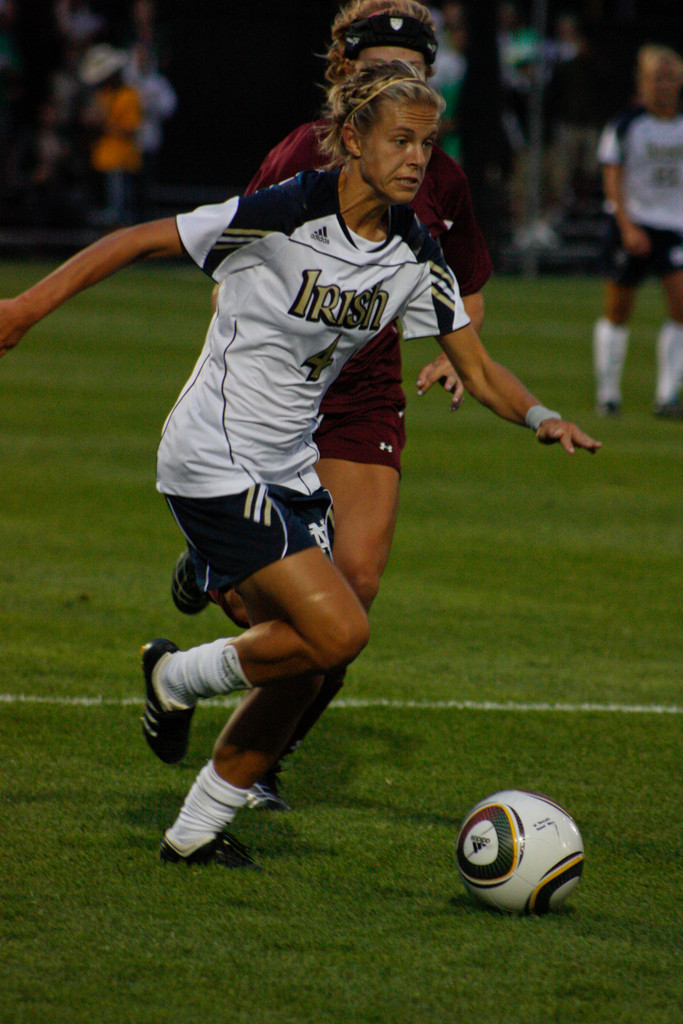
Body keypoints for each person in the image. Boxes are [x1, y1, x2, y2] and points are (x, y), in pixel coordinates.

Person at [0, 61, 600, 867]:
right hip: (213, 456)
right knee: (337, 627)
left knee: (312, 663)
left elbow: (479, 366)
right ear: (352, 140)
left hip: (289, 470)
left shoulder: (415, 255)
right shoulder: (284, 213)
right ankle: (174, 679)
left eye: (428, 143)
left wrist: (539, 416)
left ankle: (194, 833)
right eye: (399, 140)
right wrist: (23, 311)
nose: (417, 159)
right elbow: (140, 238)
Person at [172, 0, 495, 812]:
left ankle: (259, 762)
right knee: (267, 603)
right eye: (376, 67)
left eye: (410, 69)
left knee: (352, 594)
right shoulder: (297, 157)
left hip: (363, 398)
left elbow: (467, 287)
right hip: (272, 395)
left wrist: (461, 362)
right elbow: (232, 262)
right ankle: (212, 582)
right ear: (343, 77)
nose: (395, 81)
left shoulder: (437, 171)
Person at [592, 44, 683, 419]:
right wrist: (627, 225)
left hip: (674, 226)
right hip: (632, 224)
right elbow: (612, 177)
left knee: (680, 307)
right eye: (654, 78)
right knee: (618, 308)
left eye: (668, 78)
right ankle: (608, 394)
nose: (661, 86)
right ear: (641, 82)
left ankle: (667, 395)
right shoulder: (626, 125)